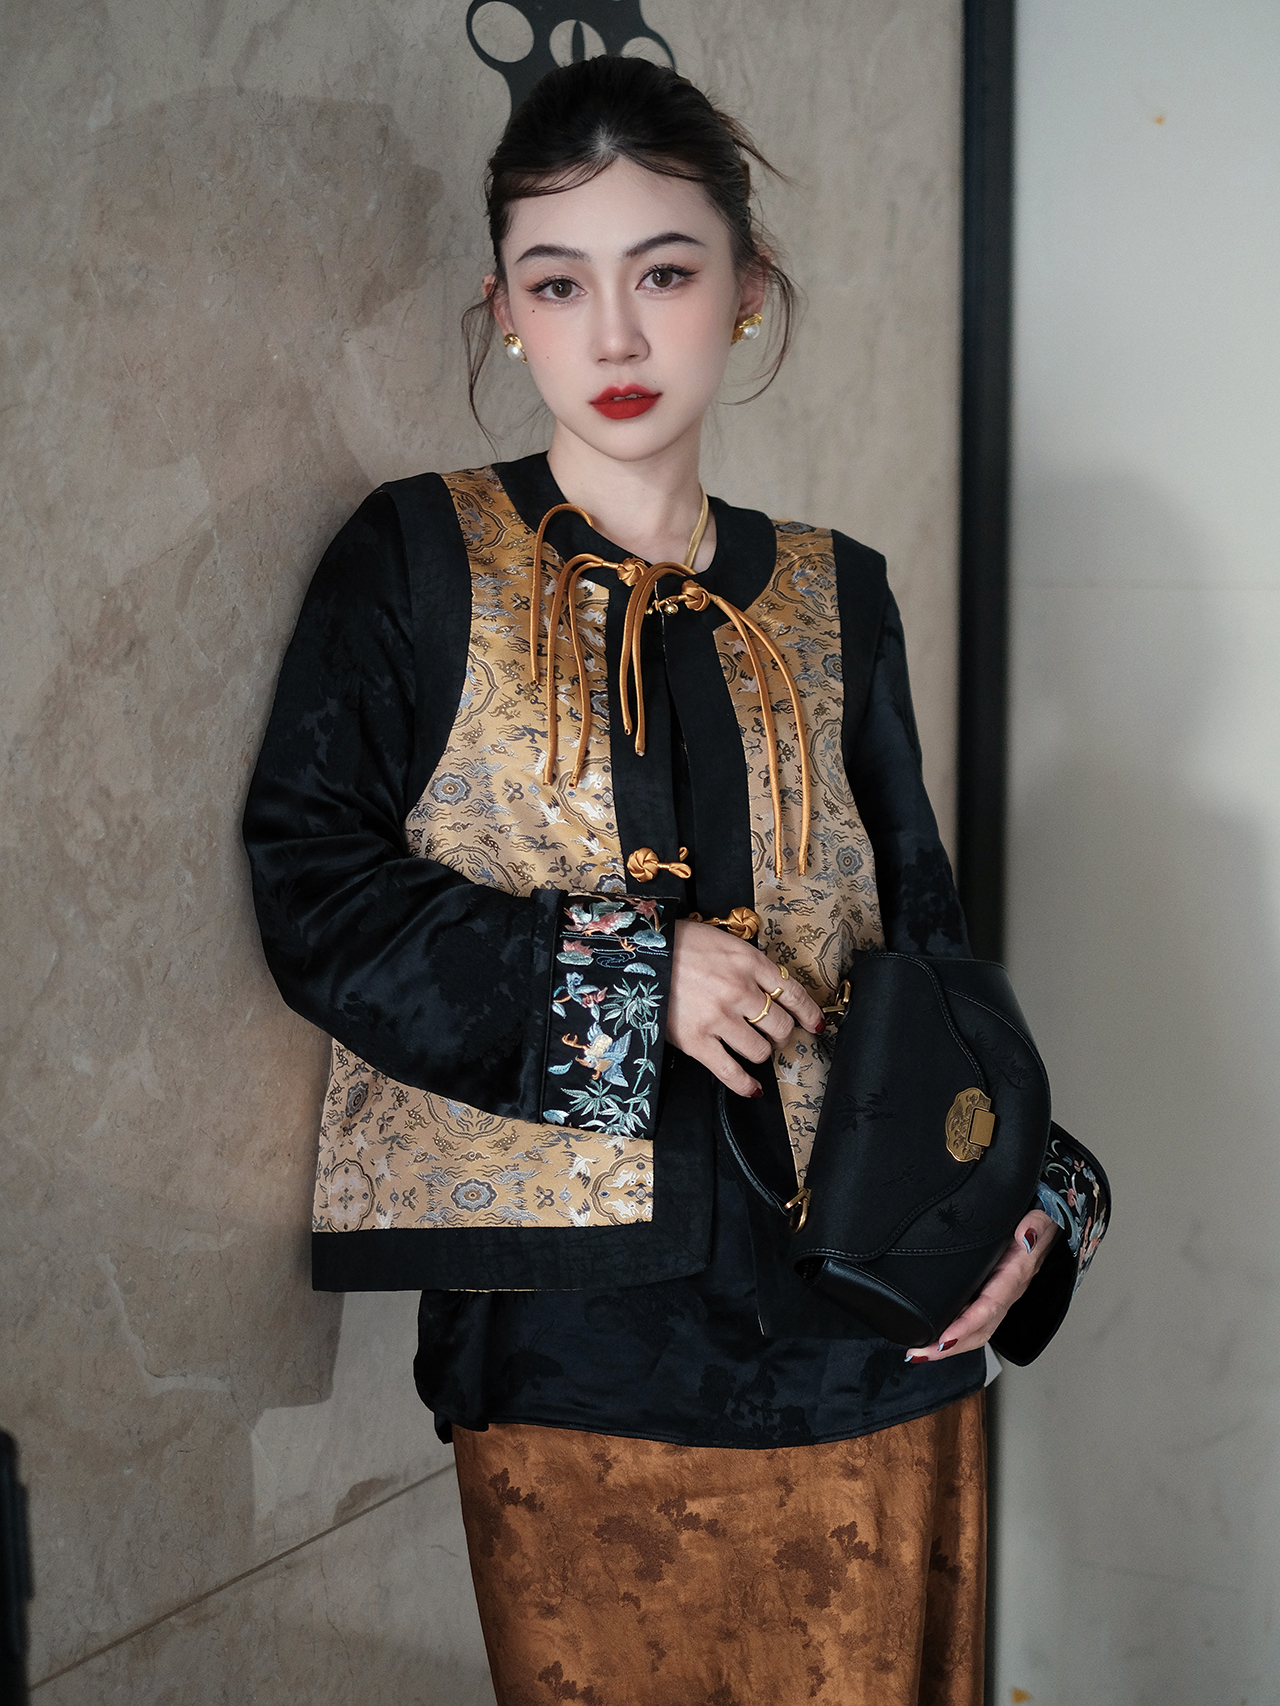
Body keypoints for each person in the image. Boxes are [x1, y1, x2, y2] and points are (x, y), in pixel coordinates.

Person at [244, 55, 1109, 1706]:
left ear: (747, 289)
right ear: (503, 309)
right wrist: (637, 981)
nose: (616, 337)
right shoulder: (416, 561)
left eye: (663, 273)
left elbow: (927, 949)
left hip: (875, 1344)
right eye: (558, 283)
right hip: (578, 1354)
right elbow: (312, 889)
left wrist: (1039, 1203)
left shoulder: (842, 596)